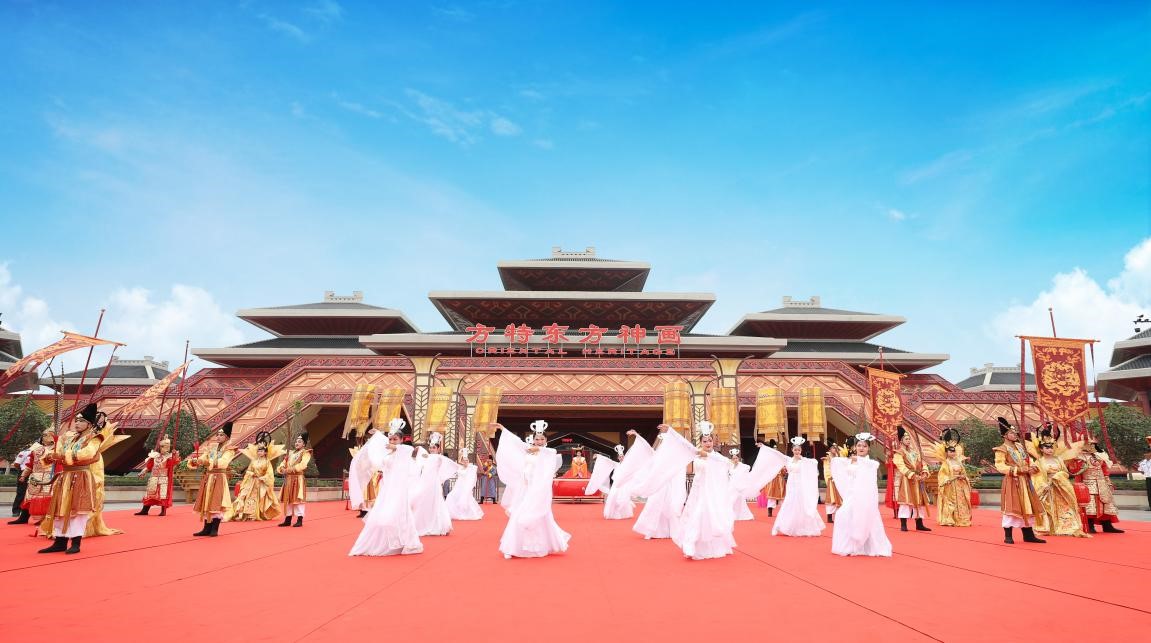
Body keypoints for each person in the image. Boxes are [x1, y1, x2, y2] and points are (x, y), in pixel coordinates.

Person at [37, 403, 124, 554]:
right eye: (76, 421)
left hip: (80, 476)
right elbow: (58, 452)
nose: (77, 423)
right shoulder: (70, 438)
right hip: (65, 477)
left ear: (89, 424)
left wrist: (62, 456)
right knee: (60, 508)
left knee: (77, 510)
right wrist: (51, 456)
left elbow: (87, 454)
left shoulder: (94, 438)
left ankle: (76, 543)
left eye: (81, 421)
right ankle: (60, 542)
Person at [349, 418, 423, 556]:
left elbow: (409, 449)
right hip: (386, 489)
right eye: (391, 439)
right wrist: (378, 435)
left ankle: (403, 542)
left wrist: (395, 447)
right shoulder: (387, 454)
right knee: (381, 517)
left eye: (395, 439)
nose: (392, 442)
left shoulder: (404, 452)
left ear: (401, 440)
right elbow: (381, 453)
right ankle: (383, 543)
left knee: (394, 515)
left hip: (399, 490)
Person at [496, 421, 570, 559]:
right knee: (519, 515)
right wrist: (503, 429)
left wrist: (537, 449)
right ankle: (512, 547)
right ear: (533, 440)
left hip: (539, 491)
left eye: (542, 439)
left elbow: (546, 453)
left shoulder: (549, 453)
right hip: (525, 490)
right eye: (537, 439)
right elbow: (517, 443)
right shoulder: (529, 451)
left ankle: (541, 545)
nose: (539, 441)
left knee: (540, 516)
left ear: (546, 440)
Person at [672, 422, 739, 560]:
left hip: (713, 493)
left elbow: (728, 464)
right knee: (696, 515)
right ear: (700, 442)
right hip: (699, 492)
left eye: (710, 441)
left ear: (713, 442)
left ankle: (714, 547)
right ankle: (691, 545)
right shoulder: (696, 455)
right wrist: (670, 431)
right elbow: (684, 445)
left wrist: (709, 456)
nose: (708, 443)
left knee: (711, 516)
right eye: (705, 441)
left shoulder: (718, 457)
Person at [830, 433, 892, 557]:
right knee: (844, 516)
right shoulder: (851, 461)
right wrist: (836, 458)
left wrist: (857, 460)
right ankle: (850, 546)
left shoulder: (871, 464)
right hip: (851, 494)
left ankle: (867, 545)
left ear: (868, 448)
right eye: (859, 445)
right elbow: (840, 465)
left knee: (865, 519)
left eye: (864, 446)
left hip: (864, 496)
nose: (861, 448)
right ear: (855, 447)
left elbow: (868, 470)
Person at [632, 423, 691, 540]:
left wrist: (671, 430)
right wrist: (636, 436)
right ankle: (653, 531)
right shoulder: (658, 456)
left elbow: (686, 445)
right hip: (660, 485)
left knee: (672, 507)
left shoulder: (677, 457)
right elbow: (649, 458)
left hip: (673, 484)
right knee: (655, 505)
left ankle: (673, 531)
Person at [993, 417, 1045, 544]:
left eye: (1015, 432)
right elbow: (1000, 466)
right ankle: (1008, 535)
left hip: (1026, 481)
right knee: (1012, 507)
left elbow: (1028, 460)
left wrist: (1033, 467)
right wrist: (1018, 470)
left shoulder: (1020, 446)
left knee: (1028, 506)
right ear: (1005, 435)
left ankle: (1028, 535)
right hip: (1013, 481)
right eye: (1012, 433)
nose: (1015, 434)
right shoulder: (1001, 449)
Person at [1031, 428, 1088, 538]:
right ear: (1041, 449)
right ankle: (1049, 528)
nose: (1050, 449)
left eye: (1051, 447)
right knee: (1048, 508)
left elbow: (1065, 473)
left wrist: (1058, 476)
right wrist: (1043, 484)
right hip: (1047, 488)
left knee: (1065, 507)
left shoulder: (1059, 460)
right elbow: (1036, 476)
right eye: (1047, 447)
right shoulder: (1039, 462)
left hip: (1060, 487)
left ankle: (1066, 527)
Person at [188, 422, 238, 538]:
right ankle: (206, 528)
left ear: (227, 437)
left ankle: (214, 529)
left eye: (221, 435)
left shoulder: (229, 449)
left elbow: (223, 463)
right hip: (208, 477)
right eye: (217, 434)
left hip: (218, 478)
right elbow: (203, 458)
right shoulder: (212, 447)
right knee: (207, 501)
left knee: (216, 502)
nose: (218, 437)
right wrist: (197, 461)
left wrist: (207, 462)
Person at [1066, 435, 1124, 534]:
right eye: (1090, 444)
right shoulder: (1079, 457)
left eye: (1093, 444)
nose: (1092, 446)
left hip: (1102, 484)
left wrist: (1108, 482)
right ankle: (1090, 526)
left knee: (1106, 504)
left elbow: (1104, 470)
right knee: (1090, 505)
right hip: (1088, 483)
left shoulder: (1099, 456)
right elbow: (1074, 472)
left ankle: (1107, 525)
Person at [772, 437, 825, 537]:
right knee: (789, 503)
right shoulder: (789, 460)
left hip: (801, 484)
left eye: (799, 450)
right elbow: (778, 454)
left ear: (801, 451)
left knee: (802, 503)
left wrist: (805, 460)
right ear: (792, 450)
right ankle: (782, 526)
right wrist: (764, 447)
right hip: (791, 484)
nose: (797, 451)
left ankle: (804, 527)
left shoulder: (804, 461)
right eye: (795, 450)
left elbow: (815, 462)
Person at [600, 431, 654, 520]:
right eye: (620, 457)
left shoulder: (627, 465)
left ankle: (622, 513)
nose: (621, 458)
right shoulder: (616, 464)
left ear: (624, 457)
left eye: (622, 456)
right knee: (613, 498)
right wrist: (599, 456)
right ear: (618, 458)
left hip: (623, 485)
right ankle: (614, 513)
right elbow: (608, 461)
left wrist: (636, 434)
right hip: (616, 485)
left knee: (623, 499)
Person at [232, 432, 283, 522]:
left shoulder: (267, 462)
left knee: (260, 497)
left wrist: (263, 478)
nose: (259, 452)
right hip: (252, 482)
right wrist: (252, 474)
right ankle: (248, 514)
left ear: (265, 452)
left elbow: (269, 474)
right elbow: (248, 471)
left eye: (261, 451)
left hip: (261, 482)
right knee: (246, 496)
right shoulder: (253, 461)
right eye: (258, 451)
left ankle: (256, 514)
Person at [411, 432, 455, 536]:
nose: (431, 449)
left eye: (434, 448)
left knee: (435, 502)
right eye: (430, 447)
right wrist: (419, 451)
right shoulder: (427, 457)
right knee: (422, 501)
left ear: (438, 449)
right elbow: (418, 461)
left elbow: (446, 462)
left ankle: (438, 525)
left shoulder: (439, 458)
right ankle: (422, 524)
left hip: (433, 483)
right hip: (424, 481)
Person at [8, 429, 55, 526]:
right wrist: (23, 475)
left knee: (46, 498)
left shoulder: (57, 449)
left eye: (48, 435)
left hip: (49, 477)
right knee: (29, 497)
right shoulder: (36, 450)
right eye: (44, 435)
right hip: (35, 476)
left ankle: (44, 519)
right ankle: (24, 517)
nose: (45, 437)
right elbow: (30, 465)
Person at [892, 426, 931, 532]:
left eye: (909, 439)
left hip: (918, 480)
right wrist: (912, 475)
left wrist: (924, 473)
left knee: (919, 501)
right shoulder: (899, 453)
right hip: (907, 480)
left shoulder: (914, 452)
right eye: (906, 439)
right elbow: (901, 466)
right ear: (901, 441)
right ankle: (903, 524)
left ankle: (919, 524)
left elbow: (923, 463)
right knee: (906, 502)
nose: (908, 441)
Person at [932, 429, 972, 528]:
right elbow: (942, 475)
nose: (953, 453)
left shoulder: (958, 462)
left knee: (961, 502)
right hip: (950, 485)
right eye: (950, 452)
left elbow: (964, 473)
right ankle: (949, 519)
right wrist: (948, 479)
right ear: (946, 452)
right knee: (950, 502)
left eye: (954, 451)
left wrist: (963, 477)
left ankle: (961, 519)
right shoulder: (946, 463)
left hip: (959, 485)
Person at [135, 436, 181, 516]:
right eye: (162, 446)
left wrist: (175, 456)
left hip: (163, 478)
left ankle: (163, 511)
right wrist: (143, 472)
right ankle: (145, 510)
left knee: (162, 494)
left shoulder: (169, 457)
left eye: (165, 447)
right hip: (154, 477)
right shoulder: (154, 456)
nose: (163, 448)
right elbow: (149, 466)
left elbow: (174, 463)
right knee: (150, 493)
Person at [276, 432, 312, 528]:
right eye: (296, 441)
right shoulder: (290, 453)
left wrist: (289, 470)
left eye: (299, 441)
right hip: (288, 479)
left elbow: (303, 465)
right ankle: (288, 520)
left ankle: (299, 519)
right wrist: (282, 468)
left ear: (304, 444)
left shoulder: (305, 453)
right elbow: (283, 463)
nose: (297, 443)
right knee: (288, 499)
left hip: (297, 479)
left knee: (298, 499)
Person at [349, 427, 381, 518]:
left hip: (368, 475)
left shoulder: (372, 453)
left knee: (367, 494)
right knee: (361, 493)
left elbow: (372, 464)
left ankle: (367, 510)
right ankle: (362, 510)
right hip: (361, 476)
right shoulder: (361, 452)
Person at [446, 447, 484, 520]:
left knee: (467, 499)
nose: (466, 462)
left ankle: (473, 513)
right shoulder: (460, 467)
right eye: (464, 460)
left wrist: (469, 487)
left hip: (465, 486)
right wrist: (461, 453)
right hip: (458, 485)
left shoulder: (471, 468)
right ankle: (454, 513)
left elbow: (473, 477)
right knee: (451, 496)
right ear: (462, 461)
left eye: (467, 460)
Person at [760, 439, 787, 517]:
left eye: (776, 449)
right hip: (772, 480)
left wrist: (784, 469)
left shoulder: (781, 459)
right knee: (771, 497)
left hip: (780, 480)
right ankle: (770, 512)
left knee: (782, 497)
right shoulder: (768, 460)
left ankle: (783, 513)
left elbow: (784, 471)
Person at [728, 449, 755, 521]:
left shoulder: (743, 466)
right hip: (732, 486)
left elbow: (748, 468)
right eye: (733, 458)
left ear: (739, 458)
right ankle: (731, 516)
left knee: (740, 503)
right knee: (731, 501)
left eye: (736, 458)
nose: (735, 460)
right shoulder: (731, 466)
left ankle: (746, 515)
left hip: (739, 487)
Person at [822, 442, 844, 524]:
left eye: (836, 448)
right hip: (831, 480)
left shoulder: (840, 457)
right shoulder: (828, 457)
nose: (835, 449)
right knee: (831, 498)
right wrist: (831, 476)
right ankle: (829, 517)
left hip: (839, 480)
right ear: (830, 449)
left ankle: (839, 517)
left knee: (840, 498)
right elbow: (827, 469)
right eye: (833, 448)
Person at [10, 444, 31, 516]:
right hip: (24, 473)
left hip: (35, 473)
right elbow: (16, 464)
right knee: (21, 492)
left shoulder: (40, 452)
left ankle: (28, 511)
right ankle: (16, 510)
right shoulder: (24, 452)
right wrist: (22, 471)